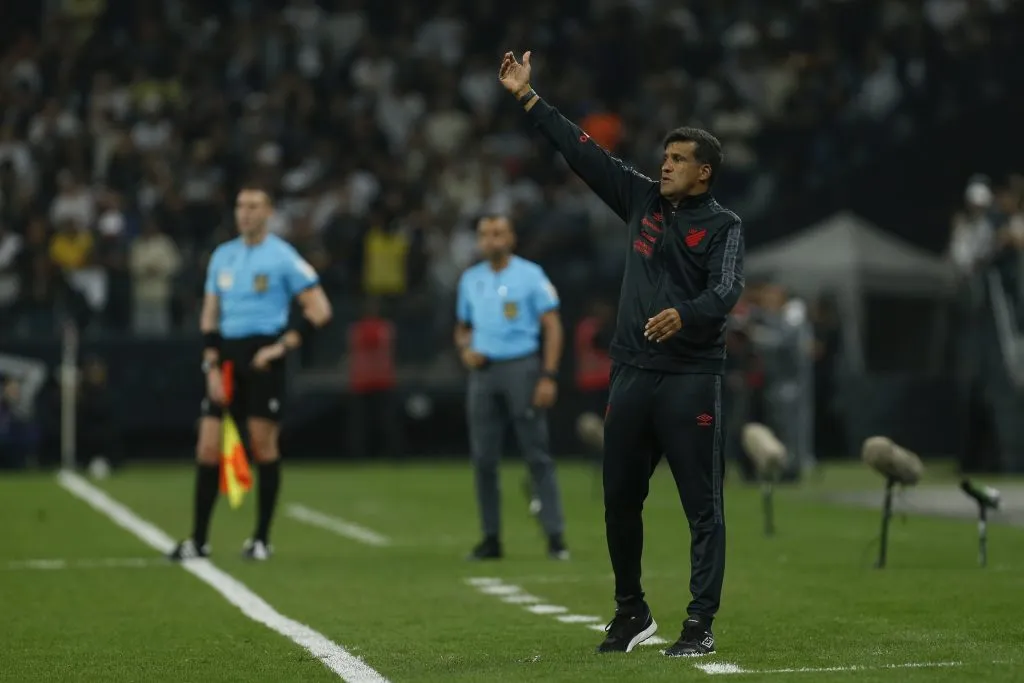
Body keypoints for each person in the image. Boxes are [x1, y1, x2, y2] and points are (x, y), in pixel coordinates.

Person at [499, 51, 744, 656]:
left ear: (705, 173)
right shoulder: (642, 201)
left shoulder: (723, 227)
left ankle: (699, 624)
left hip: (690, 379)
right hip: (632, 374)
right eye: (666, 155)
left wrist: (685, 314)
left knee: (702, 509)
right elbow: (583, 152)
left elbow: (728, 288)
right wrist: (530, 99)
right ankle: (632, 611)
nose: (666, 164)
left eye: (680, 159)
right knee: (617, 501)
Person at [169, 182, 332, 562]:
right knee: (208, 447)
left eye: (254, 206)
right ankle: (198, 539)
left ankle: (260, 539)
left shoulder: (283, 257)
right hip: (226, 357)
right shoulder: (223, 256)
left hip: (263, 357)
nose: (245, 212)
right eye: (241, 205)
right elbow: (210, 314)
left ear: (269, 212)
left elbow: (320, 310)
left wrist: (281, 347)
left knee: (262, 446)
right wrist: (210, 364)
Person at [455, 214, 569, 561]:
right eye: (486, 234)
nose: (492, 240)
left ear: (512, 238)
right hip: (484, 372)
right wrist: (465, 350)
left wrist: (548, 375)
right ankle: (491, 538)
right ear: (478, 240)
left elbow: (552, 326)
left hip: (521, 367)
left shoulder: (531, 275)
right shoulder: (470, 279)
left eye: (499, 233)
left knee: (536, 454)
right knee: (484, 459)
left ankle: (555, 536)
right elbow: (462, 327)